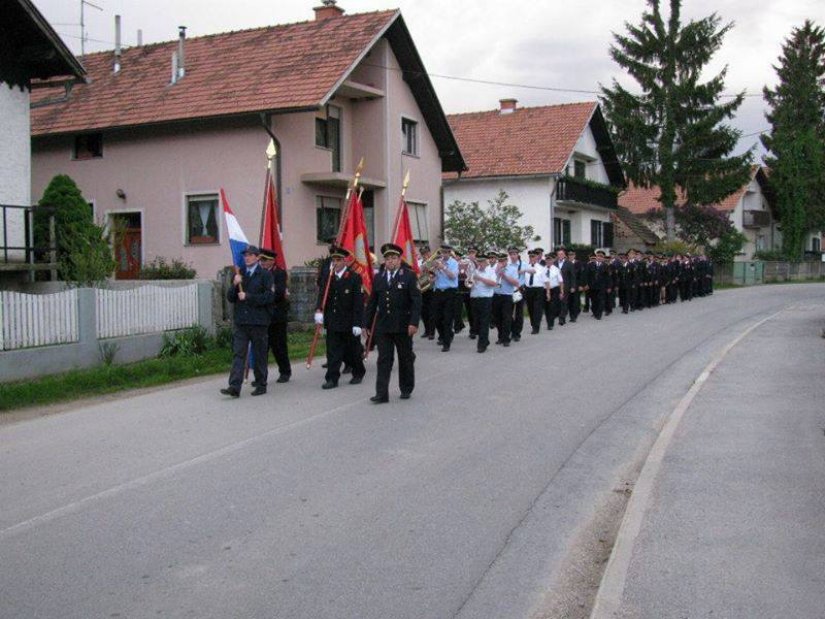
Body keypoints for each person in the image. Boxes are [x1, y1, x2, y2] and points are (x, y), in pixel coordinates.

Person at [364, 243, 422, 403]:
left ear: (399, 260)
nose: (390, 261)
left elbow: (416, 301)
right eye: (387, 258)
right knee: (384, 359)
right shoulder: (379, 277)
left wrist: (414, 323)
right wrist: (367, 324)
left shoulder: (409, 276)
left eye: (394, 258)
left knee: (405, 358)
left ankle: (406, 388)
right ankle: (381, 393)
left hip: (403, 325)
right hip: (383, 325)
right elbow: (372, 303)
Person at [221, 246, 274, 398]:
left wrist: (249, 296)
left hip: (258, 321)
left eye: (250, 255)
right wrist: (235, 284)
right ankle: (234, 386)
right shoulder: (240, 274)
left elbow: (269, 297)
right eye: (245, 255)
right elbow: (231, 297)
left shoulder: (264, 275)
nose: (247, 258)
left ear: (257, 257)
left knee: (259, 354)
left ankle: (261, 383)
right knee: (238, 354)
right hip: (242, 321)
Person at [314, 246, 366, 390]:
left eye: (338, 260)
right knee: (332, 351)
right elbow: (322, 295)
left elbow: (358, 302)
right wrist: (319, 311)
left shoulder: (354, 277)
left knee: (353, 351)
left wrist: (358, 323)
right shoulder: (328, 277)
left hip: (349, 322)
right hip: (332, 320)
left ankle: (358, 372)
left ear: (345, 261)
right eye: (333, 260)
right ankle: (332, 378)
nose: (335, 263)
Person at [259, 248, 291, 384]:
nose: (262, 263)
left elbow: (278, 293)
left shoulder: (279, 273)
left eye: (264, 260)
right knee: (261, 348)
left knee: (279, 346)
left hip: (277, 315)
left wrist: (262, 296)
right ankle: (261, 376)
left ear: (272, 260)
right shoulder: (259, 273)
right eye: (261, 260)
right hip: (262, 316)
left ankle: (285, 371)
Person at [430, 244, 459, 352]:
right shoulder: (437, 262)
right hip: (438, 292)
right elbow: (432, 277)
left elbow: (453, 276)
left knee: (447, 319)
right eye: (442, 252)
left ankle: (446, 343)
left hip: (449, 292)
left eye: (446, 252)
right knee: (436, 318)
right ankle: (445, 335)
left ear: (450, 252)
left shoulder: (454, 263)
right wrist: (432, 276)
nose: (444, 254)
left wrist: (443, 267)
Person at [468, 251, 497, 352]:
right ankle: (485, 341)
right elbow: (469, 283)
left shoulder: (491, 271)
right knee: (477, 323)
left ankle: (481, 345)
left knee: (484, 322)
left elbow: (493, 283)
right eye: (478, 261)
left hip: (486, 299)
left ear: (486, 262)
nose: (480, 264)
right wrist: (470, 281)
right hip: (474, 298)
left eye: (482, 262)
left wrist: (480, 278)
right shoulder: (475, 271)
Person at [492, 251, 519, 347]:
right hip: (496, 295)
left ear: (506, 260)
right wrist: (496, 272)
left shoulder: (512, 269)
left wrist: (505, 276)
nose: (501, 262)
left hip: (507, 295)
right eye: (500, 260)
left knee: (506, 317)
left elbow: (516, 283)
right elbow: (491, 280)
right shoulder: (494, 268)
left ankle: (506, 338)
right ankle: (500, 337)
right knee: (497, 317)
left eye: (503, 260)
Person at [523, 249, 547, 334]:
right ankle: (533, 324)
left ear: (537, 257)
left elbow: (546, 281)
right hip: (528, 290)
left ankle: (536, 327)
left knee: (537, 308)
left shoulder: (541, 268)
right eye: (530, 256)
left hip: (538, 290)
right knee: (530, 308)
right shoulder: (526, 267)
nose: (531, 258)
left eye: (533, 256)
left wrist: (547, 292)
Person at [555, 248, 575, 325]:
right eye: (558, 254)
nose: (560, 256)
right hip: (556, 286)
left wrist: (573, 286)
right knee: (557, 303)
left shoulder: (569, 263)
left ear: (564, 255)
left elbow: (572, 276)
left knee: (564, 302)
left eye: (561, 254)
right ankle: (558, 314)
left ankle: (562, 318)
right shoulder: (554, 263)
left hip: (566, 286)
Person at [544, 252, 564, 329]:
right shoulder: (543, 269)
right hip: (545, 289)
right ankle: (549, 322)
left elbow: (561, 281)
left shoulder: (556, 269)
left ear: (552, 261)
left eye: (550, 260)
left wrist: (561, 291)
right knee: (547, 307)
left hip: (555, 289)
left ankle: (551, 322)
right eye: (547, 260)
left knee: (552, 307)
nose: (548, 261)